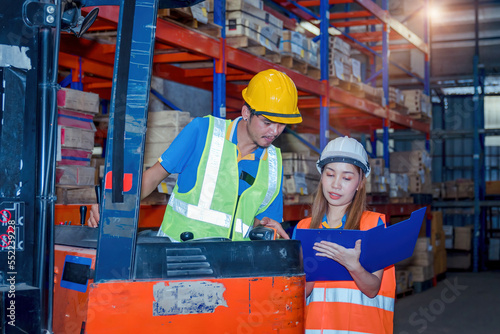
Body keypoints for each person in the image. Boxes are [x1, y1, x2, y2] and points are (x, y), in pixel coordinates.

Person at [87, 69, 301, 241]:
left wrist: (267, 226)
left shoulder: (274, 162)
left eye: (282, 124)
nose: (274, 131)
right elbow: (152, 178)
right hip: (179, 261)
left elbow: (259, 223)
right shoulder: (203, 131)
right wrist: (112, 204)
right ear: (246, 112)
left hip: (234, 269)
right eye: (267, 122)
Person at [294, 136, 396, 334]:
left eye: (347, 178)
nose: (336, 185)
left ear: (359, 183)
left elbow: (372, 289)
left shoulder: (373, 226)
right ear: (321, 177)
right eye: (330, 175)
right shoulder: (304, 228)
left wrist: (354, 266)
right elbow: (299, 295)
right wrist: (312, 269)